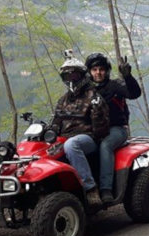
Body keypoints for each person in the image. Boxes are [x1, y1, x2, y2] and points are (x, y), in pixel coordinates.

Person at [51, 51, 109, 205]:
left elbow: (102, 130)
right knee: (41, 149)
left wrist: (96, 114)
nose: (71, 80)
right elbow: (56, 122)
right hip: (64, 138)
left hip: (88, 138)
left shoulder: (93, 96)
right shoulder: (63, 100)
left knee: (72, 144)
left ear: (82, 76)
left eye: (74, 76)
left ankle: (91, 189)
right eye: (67, 77)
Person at [85, 53, 142, 203]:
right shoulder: (87, 90)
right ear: (89, 72)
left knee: (105, 145)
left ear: (107, 70)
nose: (98, 72)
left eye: (101, 69)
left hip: (117, 129)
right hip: (94, 131)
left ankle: (106, 190)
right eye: (94, 69)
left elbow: (134, 93)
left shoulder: (115, 85)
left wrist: (128, 77)